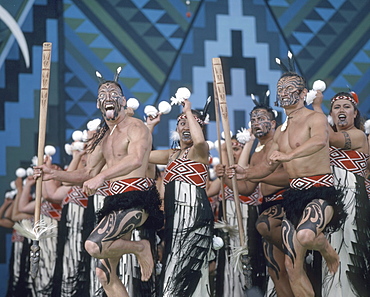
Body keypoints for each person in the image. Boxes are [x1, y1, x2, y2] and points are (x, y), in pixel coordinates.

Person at [33, 69, 163, 297]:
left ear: (122, 101)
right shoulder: (104, 137)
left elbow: (136, 159)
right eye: (103, 94)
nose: (108, 96)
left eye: (114, 93)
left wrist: (102, 176)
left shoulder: (136, 127)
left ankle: (140, 247)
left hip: (137, 200)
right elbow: (87, 172)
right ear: (98, 104)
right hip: (114, 203)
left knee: (93, 245)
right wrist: (52, 175)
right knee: (104, 274)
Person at [228, 71, 346, 297]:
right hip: (293, 198)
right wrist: (247, 173)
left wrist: (289, 156)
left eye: (289, 88)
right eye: (280, 89)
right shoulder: (281, 133)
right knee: (292, 268)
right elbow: (268, 167)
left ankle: (328, 251)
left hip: (319, 192)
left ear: (303, 93)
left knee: (305, 236)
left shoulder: (315, 118)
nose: (283, 93)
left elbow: (320, 141)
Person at [147, 99, 214, 297]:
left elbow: (199, 140)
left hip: (195, 218)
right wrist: (149, 127)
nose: (186, 126)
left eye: (191, 122)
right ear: (176, 128)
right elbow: (142, 154)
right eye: (181, 122)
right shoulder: (171, 155)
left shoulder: (200, 151)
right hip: (174, 220)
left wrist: (187, 110)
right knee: (174, 270)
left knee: (188, 273)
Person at [312, 91, 370, 296]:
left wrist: (317, 108)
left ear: (355, 114)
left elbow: (332, 137)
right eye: (337, 107)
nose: (342, 110)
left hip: (353, 200)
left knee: (350, 253)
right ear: (332, 115)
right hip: (331, 200)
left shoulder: (358, 135)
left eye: (347, 107)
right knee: (332, 250)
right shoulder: (323, 141)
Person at [207, 135, 266, 297]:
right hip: (228, 226)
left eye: (237, 149)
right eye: (231, 150)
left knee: (248, 259)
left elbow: (241, 184)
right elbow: (208, 192)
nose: (234, 153)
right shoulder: (225, 174)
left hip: (248, 224)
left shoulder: (252, 171)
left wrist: (249, 141)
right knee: (227, 263)